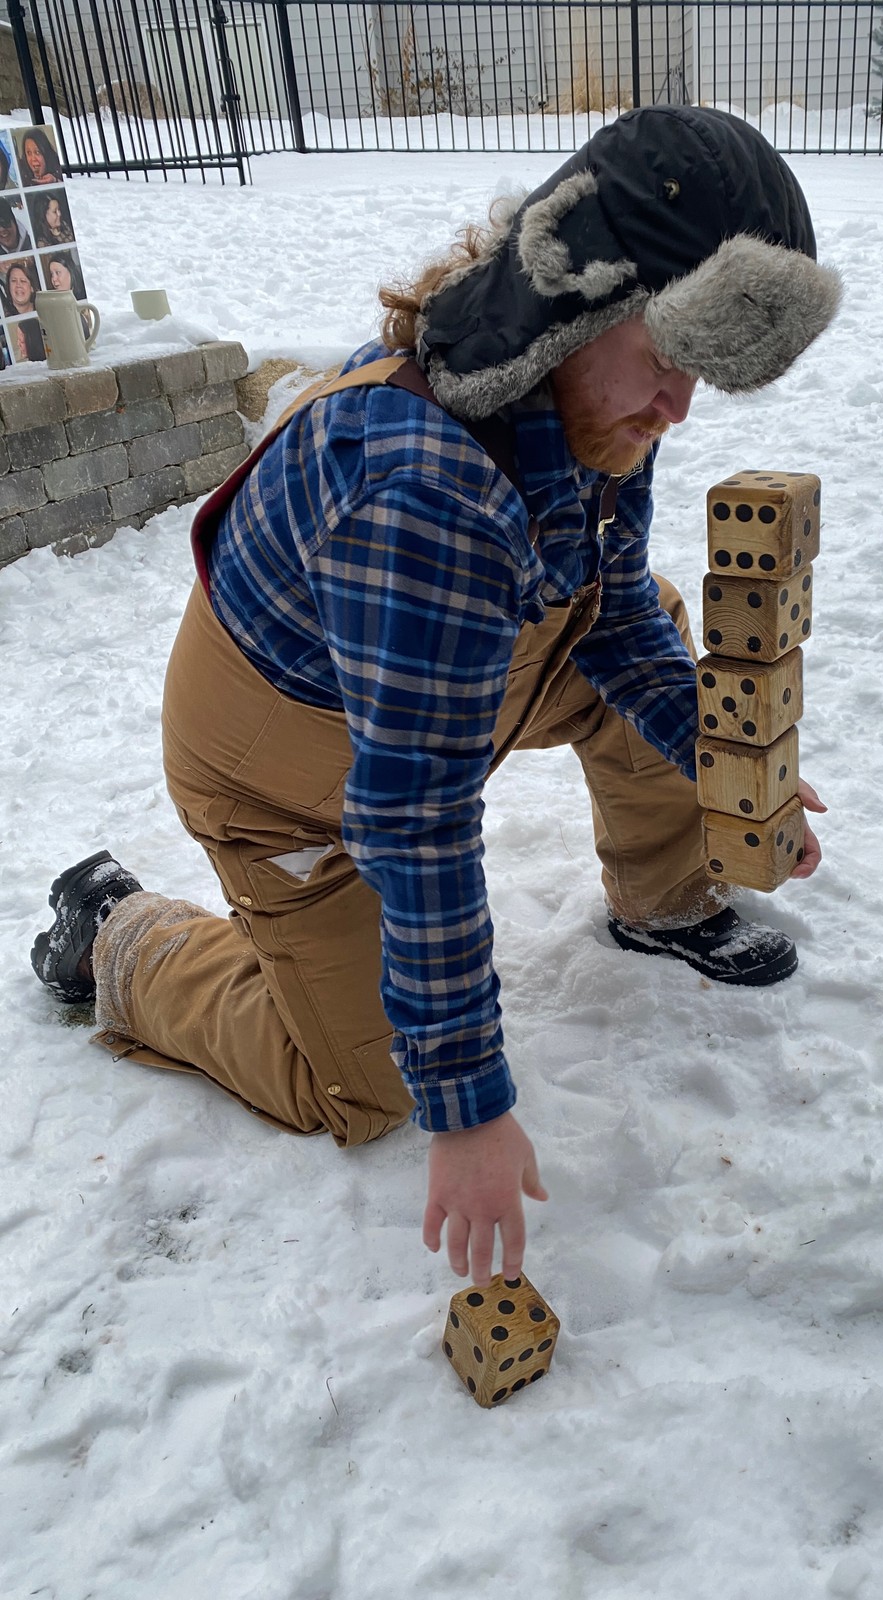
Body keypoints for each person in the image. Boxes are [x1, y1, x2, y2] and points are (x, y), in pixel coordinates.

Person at [31, 107, 841, 1287]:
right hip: (285, 775)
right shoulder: (421, 488)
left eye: (699, 371)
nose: (679, 407)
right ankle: (121, 934)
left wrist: (729, 762)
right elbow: (414, 815)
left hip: (445, 680)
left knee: (649, 617)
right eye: (669, 359)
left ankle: (664, 899)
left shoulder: (591, 406)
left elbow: (613, 615)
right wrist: (467, 1106)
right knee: (365, 1090)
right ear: (578, 303)